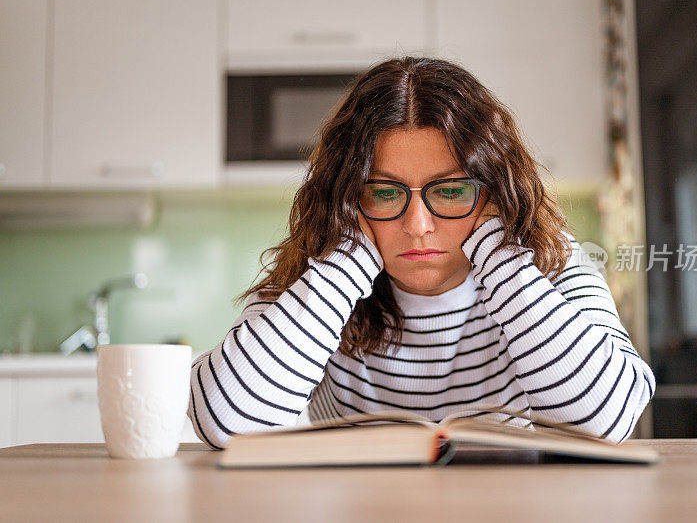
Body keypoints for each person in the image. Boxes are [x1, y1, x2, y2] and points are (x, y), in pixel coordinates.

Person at [188, 56, 655, 450]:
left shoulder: (548, 259)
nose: (417, 227)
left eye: (451, 190)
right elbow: (226, 423)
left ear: (495, 193)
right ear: (347, 201)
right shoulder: (320, 272)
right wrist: (349, 256)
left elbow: (607, 419)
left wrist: (498, 251)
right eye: (384, 193)